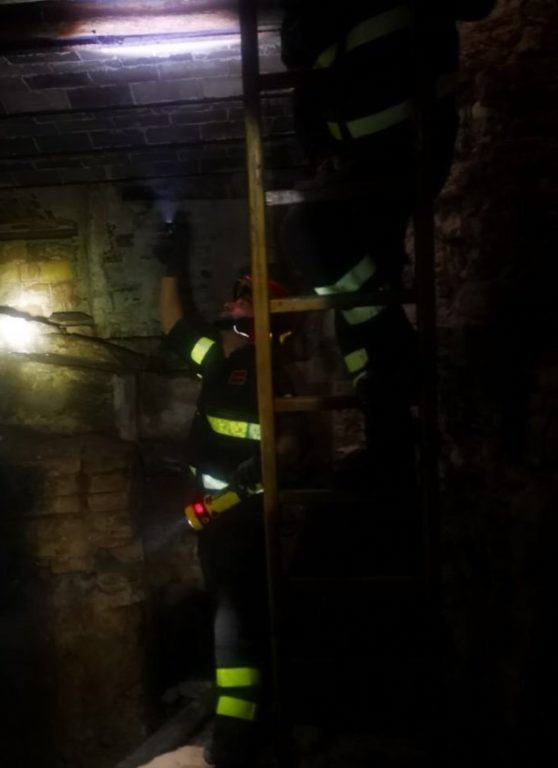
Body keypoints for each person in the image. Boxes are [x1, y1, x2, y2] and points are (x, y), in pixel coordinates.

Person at [279, 0, 496, 483]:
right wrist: (320, 149)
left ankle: (395, 368)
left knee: (312, 242)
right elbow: (298, 54)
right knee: (359, 301)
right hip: (355, 160)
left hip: (406, 148)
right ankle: (390, 447)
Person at [157, 213, 303, 768]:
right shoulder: (220, 361)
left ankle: (236, 743)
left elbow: (292, 444)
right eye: (237, 292)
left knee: (236, 633)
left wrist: (259, 471)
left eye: (245, 297)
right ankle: (248, 732)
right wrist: (171, 266)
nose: (233, 301)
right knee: (231, 627)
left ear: (269, 318)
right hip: (217, 523)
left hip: (247, 524)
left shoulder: (273, 373)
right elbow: (176, 329)